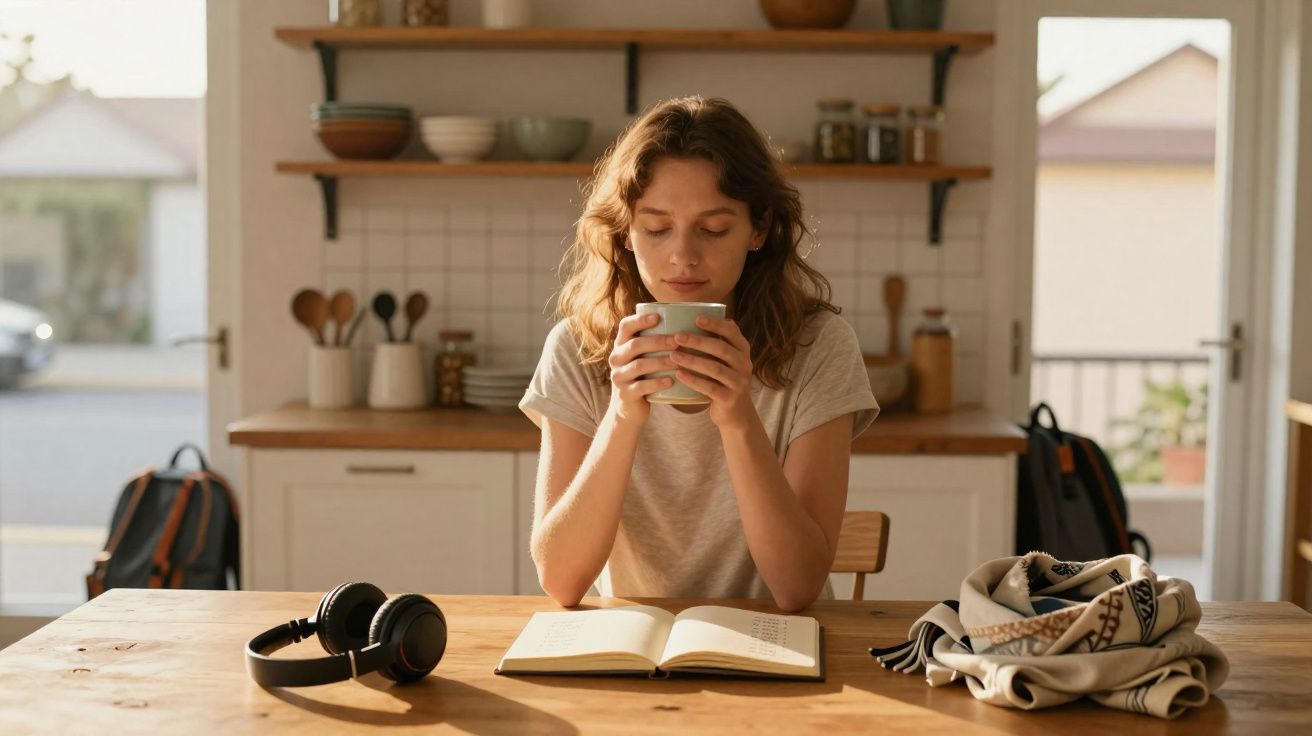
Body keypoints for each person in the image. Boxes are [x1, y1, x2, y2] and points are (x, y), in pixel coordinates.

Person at [519, 96, 879, 612]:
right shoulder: (579, 350)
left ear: (759, 229)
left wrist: (738, 420)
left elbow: (798, 587)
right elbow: (560, 579)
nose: (682, 257)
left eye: (713, 229)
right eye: (657, 228)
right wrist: (623, 417)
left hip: (776, 650)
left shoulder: (819, 347)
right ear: (625, 231)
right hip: (633, 653)